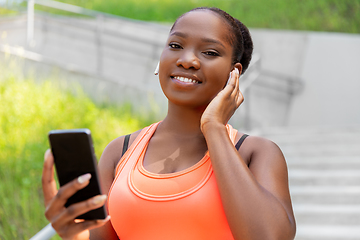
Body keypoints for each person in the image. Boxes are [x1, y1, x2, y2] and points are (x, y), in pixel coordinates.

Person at [42, 7, 296, 240]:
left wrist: (214, 128)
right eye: (175, 45)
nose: (187, 60)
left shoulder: (255, 153)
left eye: (209, 52)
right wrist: (74, 234)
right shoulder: (119, 152)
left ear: (234, 73)